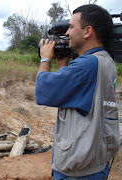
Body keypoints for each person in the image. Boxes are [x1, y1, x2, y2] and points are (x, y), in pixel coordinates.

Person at [35, 4, 120, 180]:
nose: (66, 33)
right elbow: (76, 94)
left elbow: (43, 91)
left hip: (77, 170)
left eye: (71, 27)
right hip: (95, 161)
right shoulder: (105, 61)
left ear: (88, 31)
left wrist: (45, 58)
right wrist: (62, 65)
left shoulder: (86, 65)